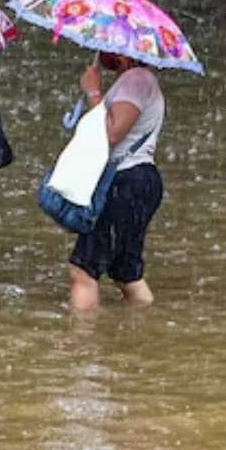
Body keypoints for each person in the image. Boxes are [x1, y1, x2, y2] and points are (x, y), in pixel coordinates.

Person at [68, 51, 165, 311]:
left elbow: (112, 133)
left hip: (126, 181)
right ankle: (142, 326)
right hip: (140, 181)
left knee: (83, 270)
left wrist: (92, 91)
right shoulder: (139, 80)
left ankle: (80, 343)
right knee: (125, 272)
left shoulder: (135, 80)